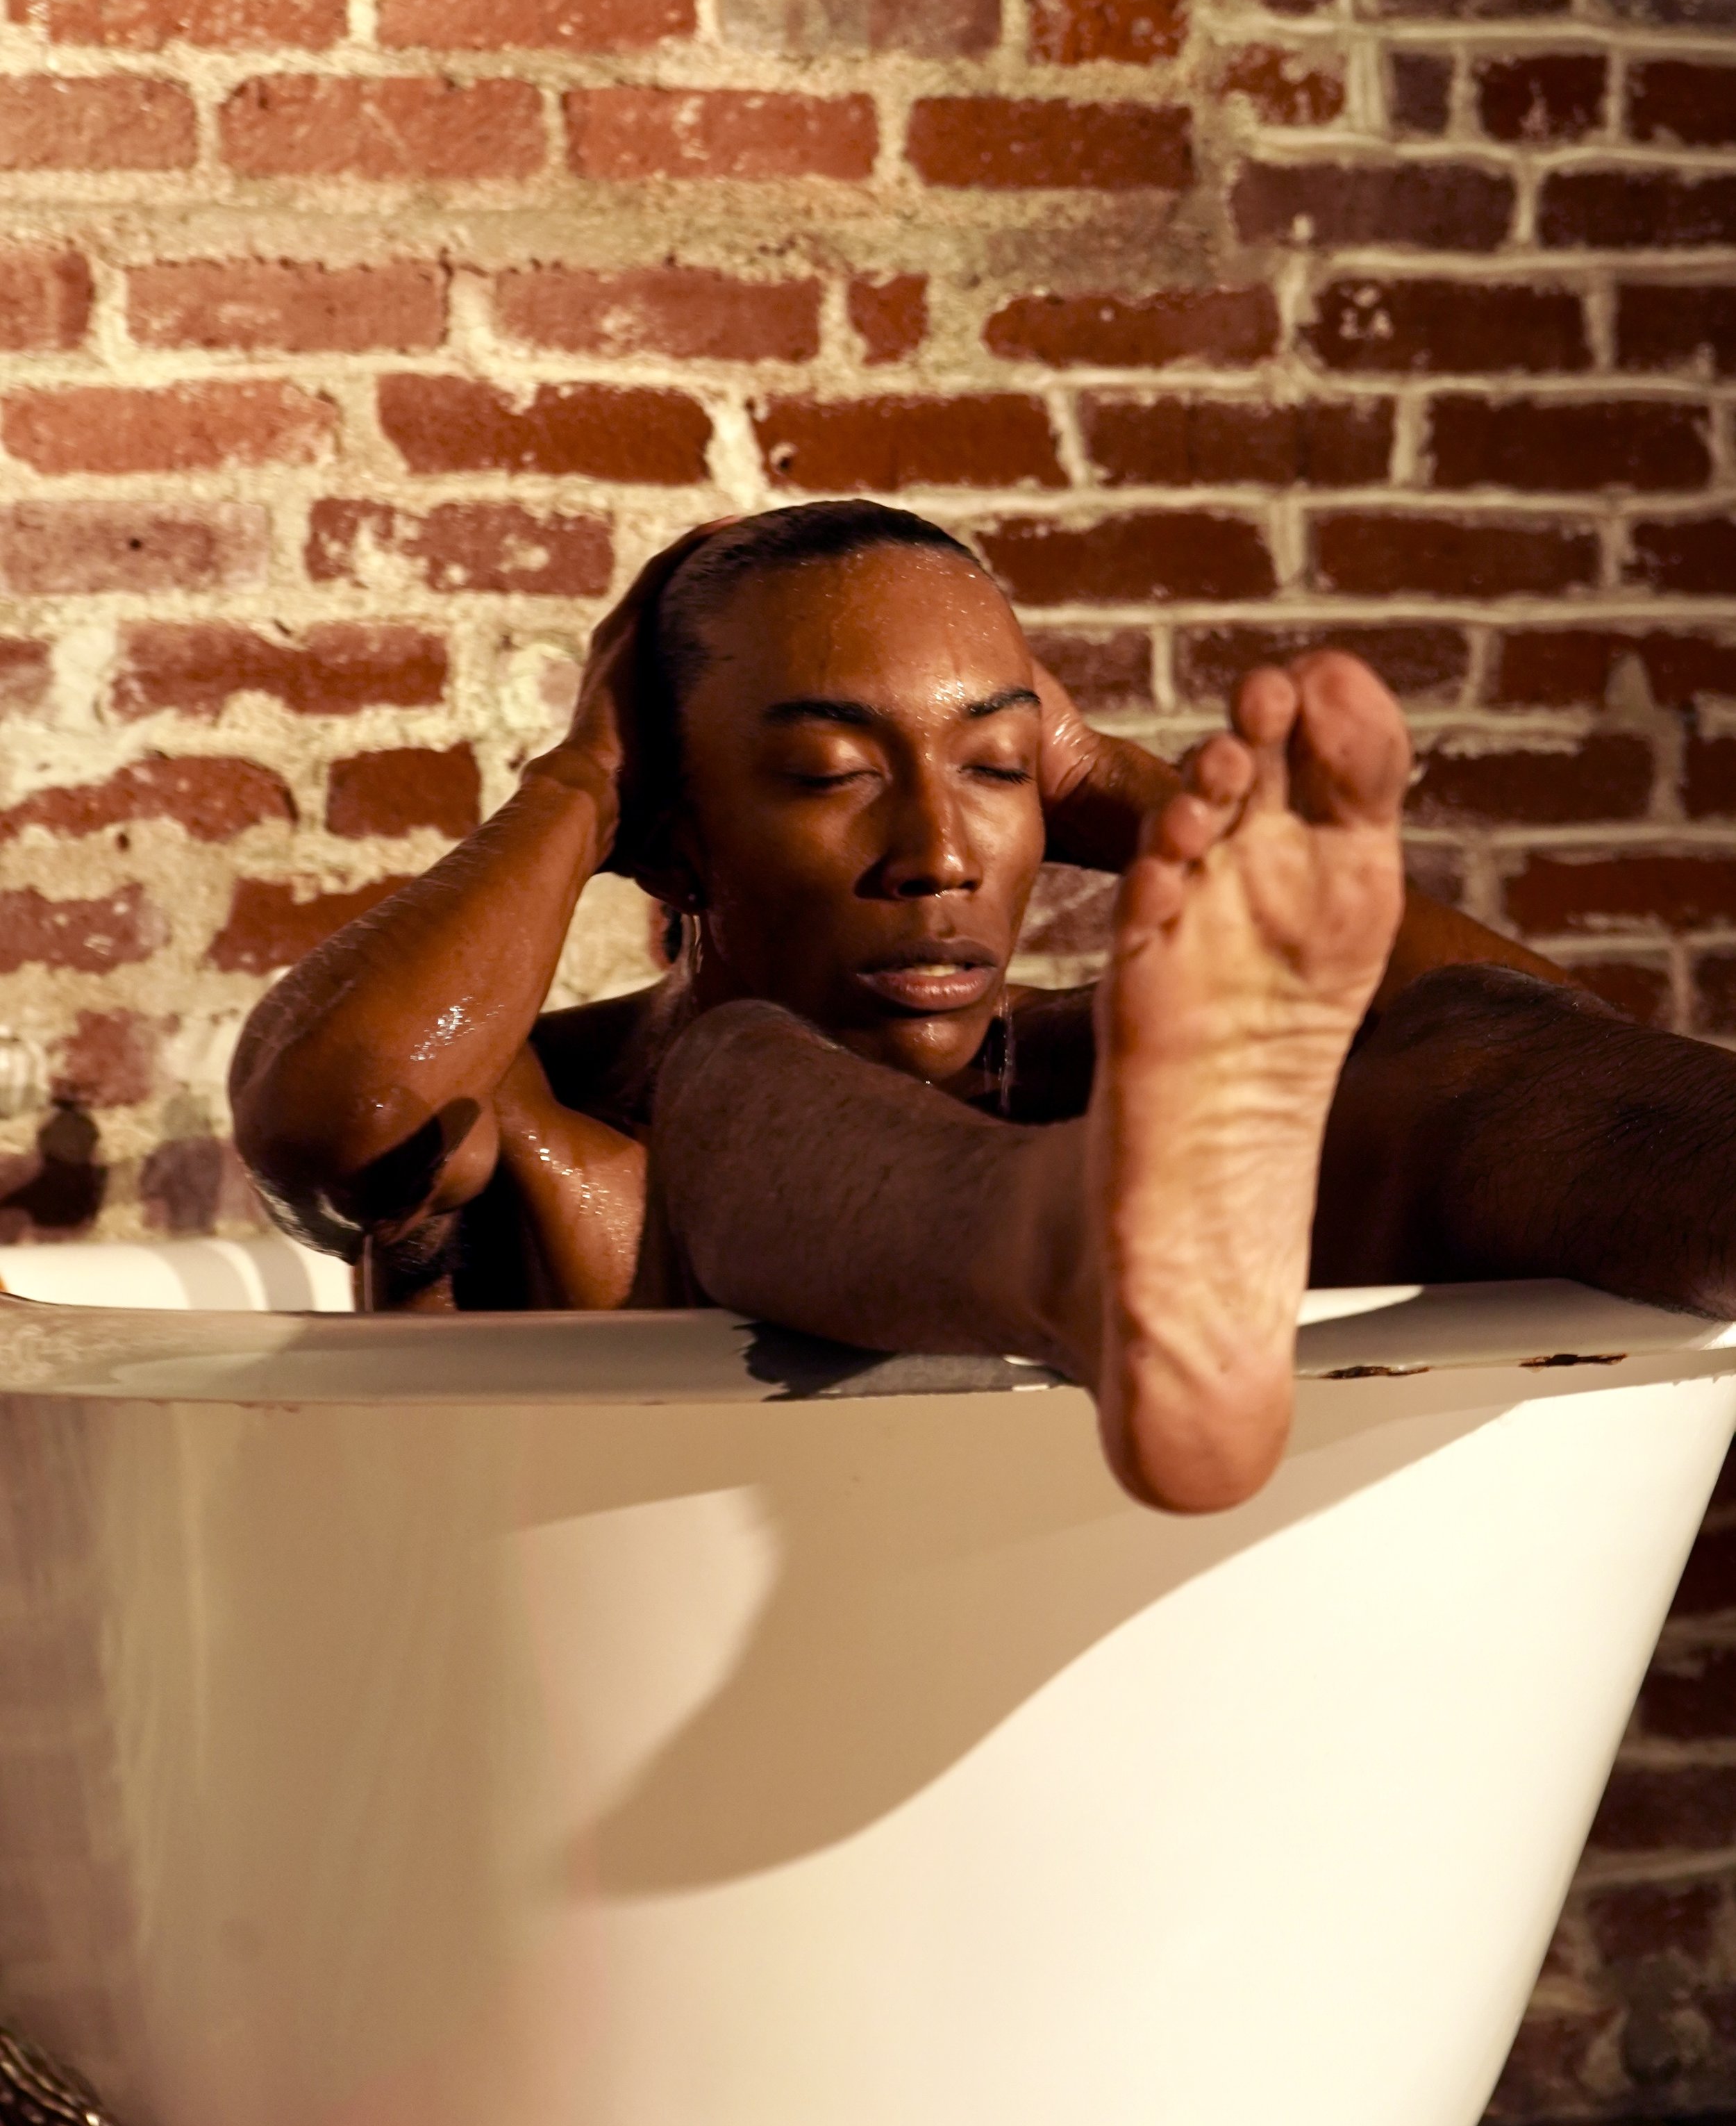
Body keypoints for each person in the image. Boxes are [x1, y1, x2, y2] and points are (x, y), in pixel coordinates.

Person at [233, 501, 1736, 1515]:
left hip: (1152, 1735)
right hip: (649, 1747)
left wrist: (1096, 771)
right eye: (830, 774)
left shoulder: (1112, 1065)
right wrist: (580, 777)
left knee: (1434, 1043)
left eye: (999, 771)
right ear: (674, 832)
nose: (940, 852)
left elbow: (1518, 1037)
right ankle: (1064, 1243)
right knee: (741, 1067)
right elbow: (336, 1108)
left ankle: (1087, 1236)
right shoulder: (560, 1120)